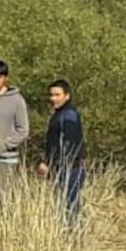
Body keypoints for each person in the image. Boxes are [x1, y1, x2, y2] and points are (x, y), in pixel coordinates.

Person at [37, 79, 86, 228]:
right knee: (62, 207)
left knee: (69, 208)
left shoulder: (69, 115)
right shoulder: (59, 115)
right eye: (51, 95)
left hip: (70, 169)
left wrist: (52, 163)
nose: (53, 99)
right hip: (61, 169)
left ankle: (73, 241)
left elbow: (70, 144)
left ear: (67, 96)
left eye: (57, 95)